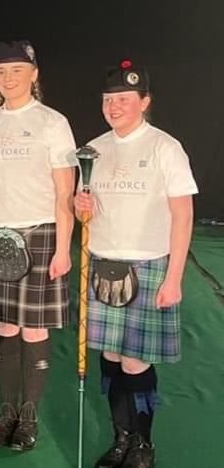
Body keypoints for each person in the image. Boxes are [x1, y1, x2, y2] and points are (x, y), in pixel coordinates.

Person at [74, 60, 197, 468]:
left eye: (124, 99)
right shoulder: (93, 149)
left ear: (144, 102)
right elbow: (84, 210)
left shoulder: (165, 147)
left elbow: (183, 216)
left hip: (148, 266)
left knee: (135, 362)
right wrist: (79, 205)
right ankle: (120, 438)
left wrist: (174, 278)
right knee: (110, 358)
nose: (114, 106)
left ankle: (142, 444)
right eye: (108, 99)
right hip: (103, 265)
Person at [0, 41, 76, 450]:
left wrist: (63, 248)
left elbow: (65, 191)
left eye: (17, 70)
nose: (9, 78)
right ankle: (6, 412)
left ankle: (29, 417)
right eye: (1, 71)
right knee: (3, 326)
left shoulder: (52, 122)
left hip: (39, 233)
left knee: (33, 328)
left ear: (34, 74)